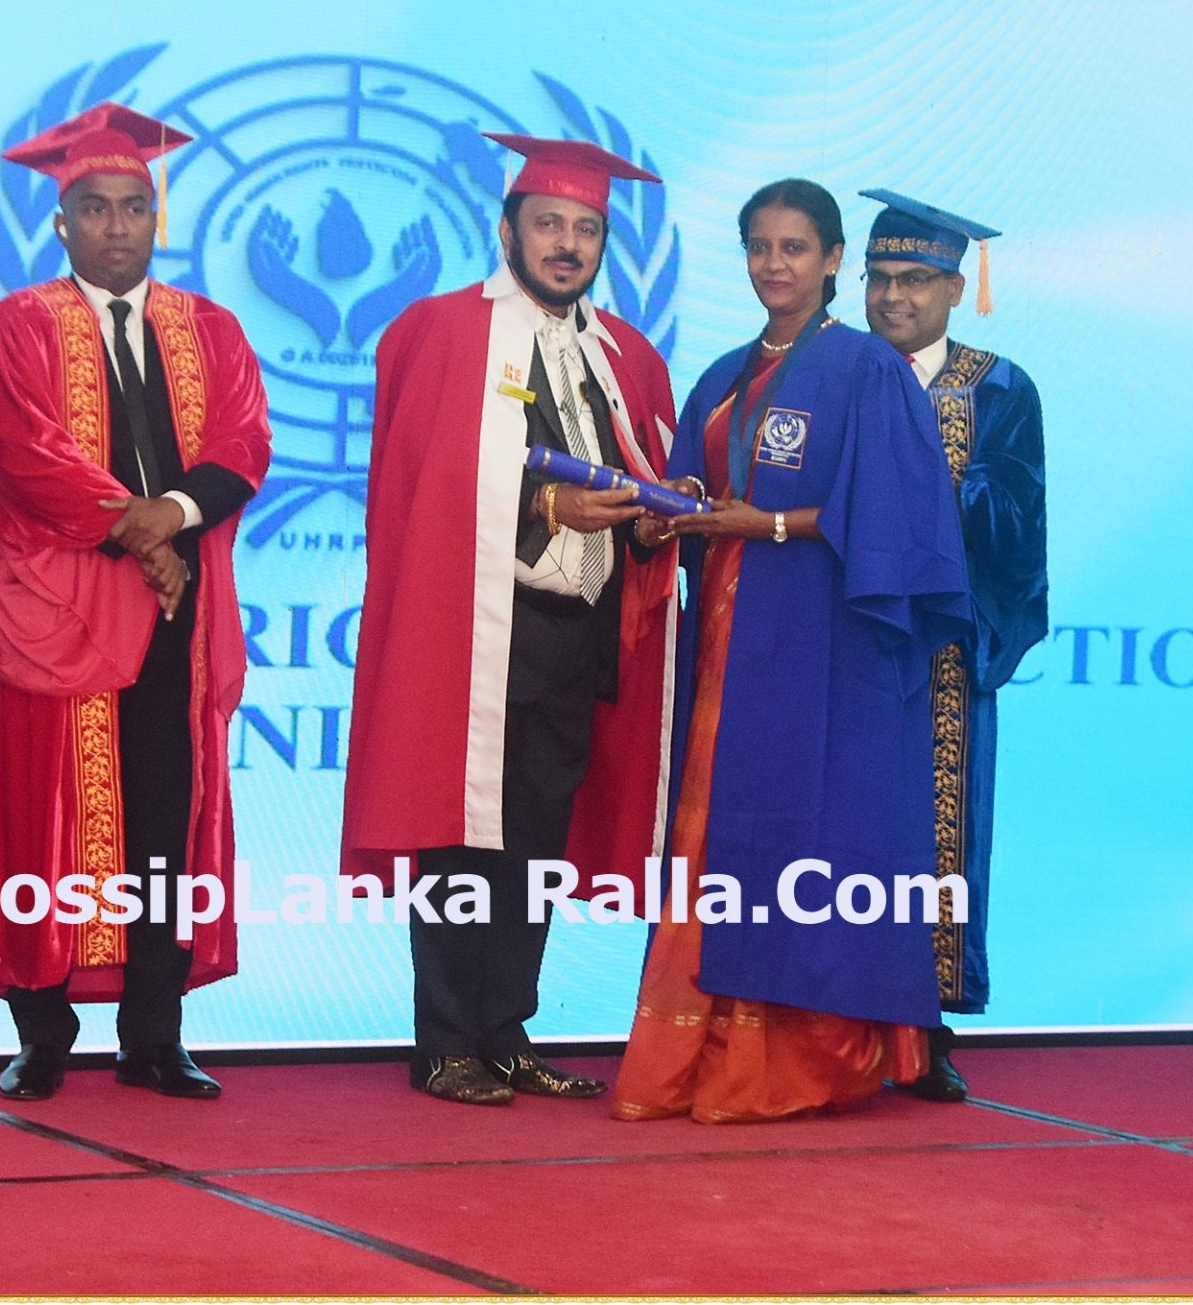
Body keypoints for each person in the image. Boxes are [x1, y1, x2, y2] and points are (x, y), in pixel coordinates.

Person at [612, 178, 971, 1124]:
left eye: (795, 248)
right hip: (727, 635)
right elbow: (692, 486)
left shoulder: (868, 369)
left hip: (823, 640)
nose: (775, 265)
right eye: (759, 247)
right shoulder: (723, 376)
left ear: (833, 259)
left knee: (808, 827)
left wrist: (763, 524)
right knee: (714, 825)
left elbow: (892, 517)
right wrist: (665, 517)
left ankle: (792, 1056)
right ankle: (699, 1046)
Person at [343, 135, 681, 1107]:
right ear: (507, 232)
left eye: (586, 229)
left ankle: (506, 1032)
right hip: (477, 630)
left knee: (536, 847)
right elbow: (425, 483)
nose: (567, 244)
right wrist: (546, 506)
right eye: (549, 224)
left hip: (577, 639)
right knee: (459, 840)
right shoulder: (441, 332)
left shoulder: (624, 357)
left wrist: (656, 517)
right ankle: (445, 1042)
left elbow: (638, 473)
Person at [0, 103, 271, 1102]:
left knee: (163, 822)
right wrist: (148, 541)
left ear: (156, 217)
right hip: (64, 607)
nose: (115, 225)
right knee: (46, 822)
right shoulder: (16, 327)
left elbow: (243, 445)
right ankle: (41, 1034)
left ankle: (154, 1034)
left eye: (133, 207)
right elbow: (27, 456)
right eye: (94, 207)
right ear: (61, 222)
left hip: (181, 619)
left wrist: (172, 518)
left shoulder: (210, 329)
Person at [860, 189, 1048, 1101]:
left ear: (953, 287)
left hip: (941, 649)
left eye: (915, 279)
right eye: (879, 277)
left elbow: (1018, 521)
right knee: (841, 830)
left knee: (935, 837)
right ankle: (828, 1024)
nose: (894, 296)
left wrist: (929, 480)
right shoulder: (833, 369)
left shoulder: (997, 387)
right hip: (839, 642)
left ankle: (922, 1031)